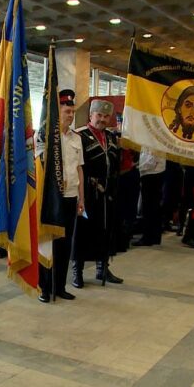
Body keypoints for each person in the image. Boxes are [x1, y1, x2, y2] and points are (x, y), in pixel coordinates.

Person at [38, 89, 84, 303]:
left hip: (70, 196)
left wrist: (82, 199)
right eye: (67, 111)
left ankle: (60, 286)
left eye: (73, 112)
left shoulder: (76, 138)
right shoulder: (46, 136)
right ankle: (44, 287)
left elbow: (79, 169)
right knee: (48, 243)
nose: (71, 115)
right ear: (58, 111)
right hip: (51, 198)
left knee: (65, 244)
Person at [72, 99, 122, 287]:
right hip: (86, 192)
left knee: (105, 230)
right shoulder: (79, 136)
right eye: (99, 115)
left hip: (106, 194)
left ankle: (103, 269)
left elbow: (115, 165)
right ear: (91, 115)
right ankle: (77, 271)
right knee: (82, 232)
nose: (102, 119)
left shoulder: (111, 137)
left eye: (106, 116)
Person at [132, 146, 165, 246]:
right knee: (154, 207)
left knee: (148, 207)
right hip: (152, 173)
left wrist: (138, 166)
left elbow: (151, 161)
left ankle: (148, 238)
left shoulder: (153, 142)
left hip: (151, 174)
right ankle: (154, 237)